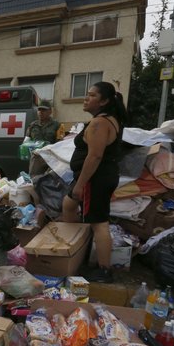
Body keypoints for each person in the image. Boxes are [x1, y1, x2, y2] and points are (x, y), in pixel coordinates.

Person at [61, 81, 127, 283]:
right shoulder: (106, 120)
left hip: (94, 178)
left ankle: (104, 270)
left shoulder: (100, 123)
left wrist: (81, 184)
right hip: (96, 177)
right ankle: (76, 248)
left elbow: (95, 157)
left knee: (99, 223)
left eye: (91, 95)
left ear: (104, 101)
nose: (86, 98)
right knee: (68, 204)